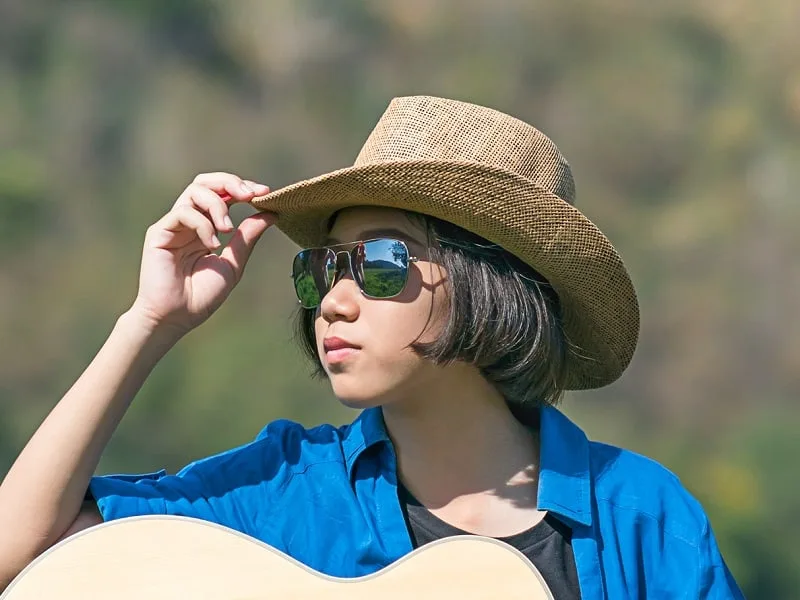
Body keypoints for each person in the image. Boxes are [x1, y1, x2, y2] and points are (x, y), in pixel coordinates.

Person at [0, 96, 743, 598]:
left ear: (489, 283)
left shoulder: (644, 516)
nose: (335, 299)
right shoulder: (283, 491)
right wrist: (148, 322)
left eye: (380, 263)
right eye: (321, 268)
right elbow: (22, 555)